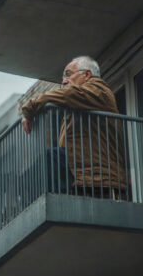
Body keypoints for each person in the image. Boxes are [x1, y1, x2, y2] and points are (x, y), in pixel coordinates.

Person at [20, 56, 128, 197]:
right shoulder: (79, 103)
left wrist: (29, 107)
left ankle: (55, 200)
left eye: (68, 75)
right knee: (42, 165)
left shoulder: (99, 90)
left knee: (51, 157)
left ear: (87, 74)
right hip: (86, 180)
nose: (64, 81)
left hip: (103, 182)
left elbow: (68, 94)